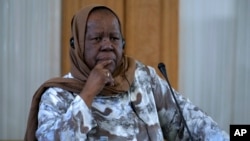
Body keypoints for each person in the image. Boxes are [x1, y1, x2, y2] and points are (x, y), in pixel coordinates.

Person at [24, 4, 229, 141]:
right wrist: (87, 94)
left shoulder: (142, 77)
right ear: (77, 45)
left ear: (123, 45)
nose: (107, 46)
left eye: (114, 38)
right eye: (97, 39)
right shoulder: (57, 95)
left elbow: (187, 121)